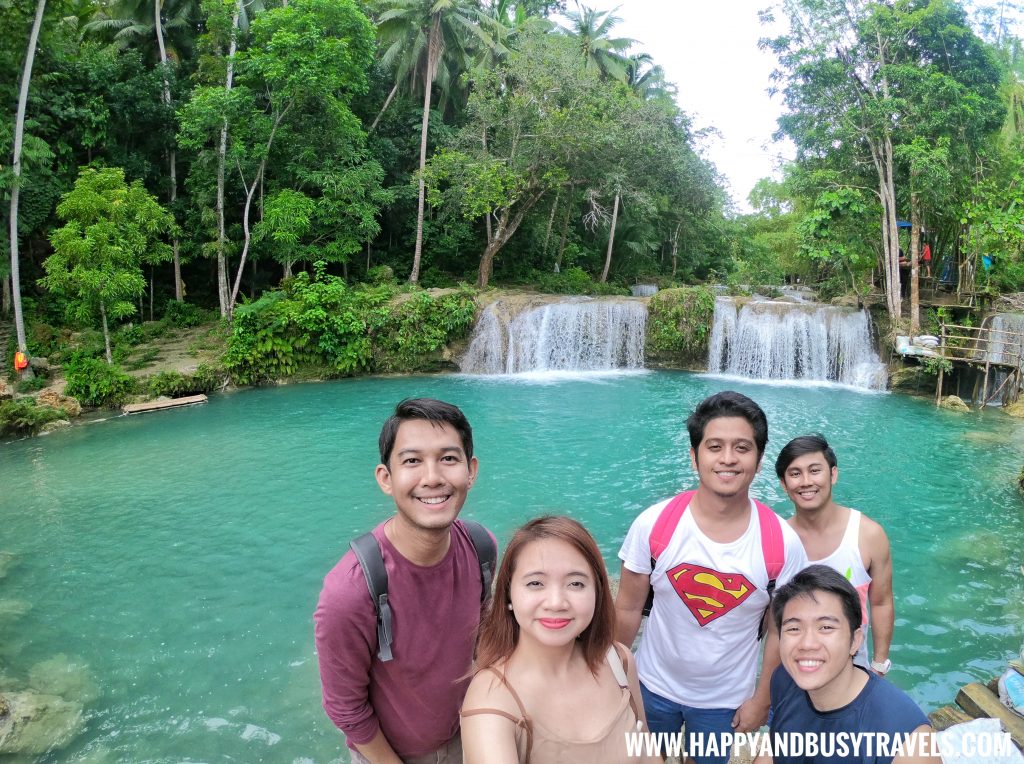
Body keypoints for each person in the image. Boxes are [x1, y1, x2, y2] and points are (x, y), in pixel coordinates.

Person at [615, 391, 808, 764]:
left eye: (742, 447)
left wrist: (761, 699)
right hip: (650, 687)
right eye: (714, 446)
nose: (728, 459)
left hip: (724, 702)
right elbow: (627, 608)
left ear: (759, 458)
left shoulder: (781, 545)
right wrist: (613, 679)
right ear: (694, 456)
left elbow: (780, 633)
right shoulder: (655, 525)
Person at [314, 398, 494, 764]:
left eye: (449, 458)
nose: (432, 477)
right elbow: (345, 708)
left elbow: (485, 643)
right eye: (412, 461)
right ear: (385, 478)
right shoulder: (349, 592)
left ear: (470, 470)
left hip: (470, 739)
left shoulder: (480, 548)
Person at [461, 516, 659, 764]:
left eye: (576, 583)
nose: (556, 602)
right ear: (509, 594)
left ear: (596, 592)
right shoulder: (491, 702)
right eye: (535, 583)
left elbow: (646, 749)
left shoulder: (618, 661)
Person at [757, 565, 932, 764]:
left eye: (826, 627)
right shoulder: (784, 679)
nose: (807, 644)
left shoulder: (906, 741)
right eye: (794, 628)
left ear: (855, 640)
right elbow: (775, 749)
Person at [775, 435, 894, 676]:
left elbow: (881, 602)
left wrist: (879, 665)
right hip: (790, 670)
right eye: (795, 474)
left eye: (815, 470)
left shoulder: (868, 534)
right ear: (784, 484)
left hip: (851, 670)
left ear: (833, 474)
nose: (806, 481)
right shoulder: (777, 539)